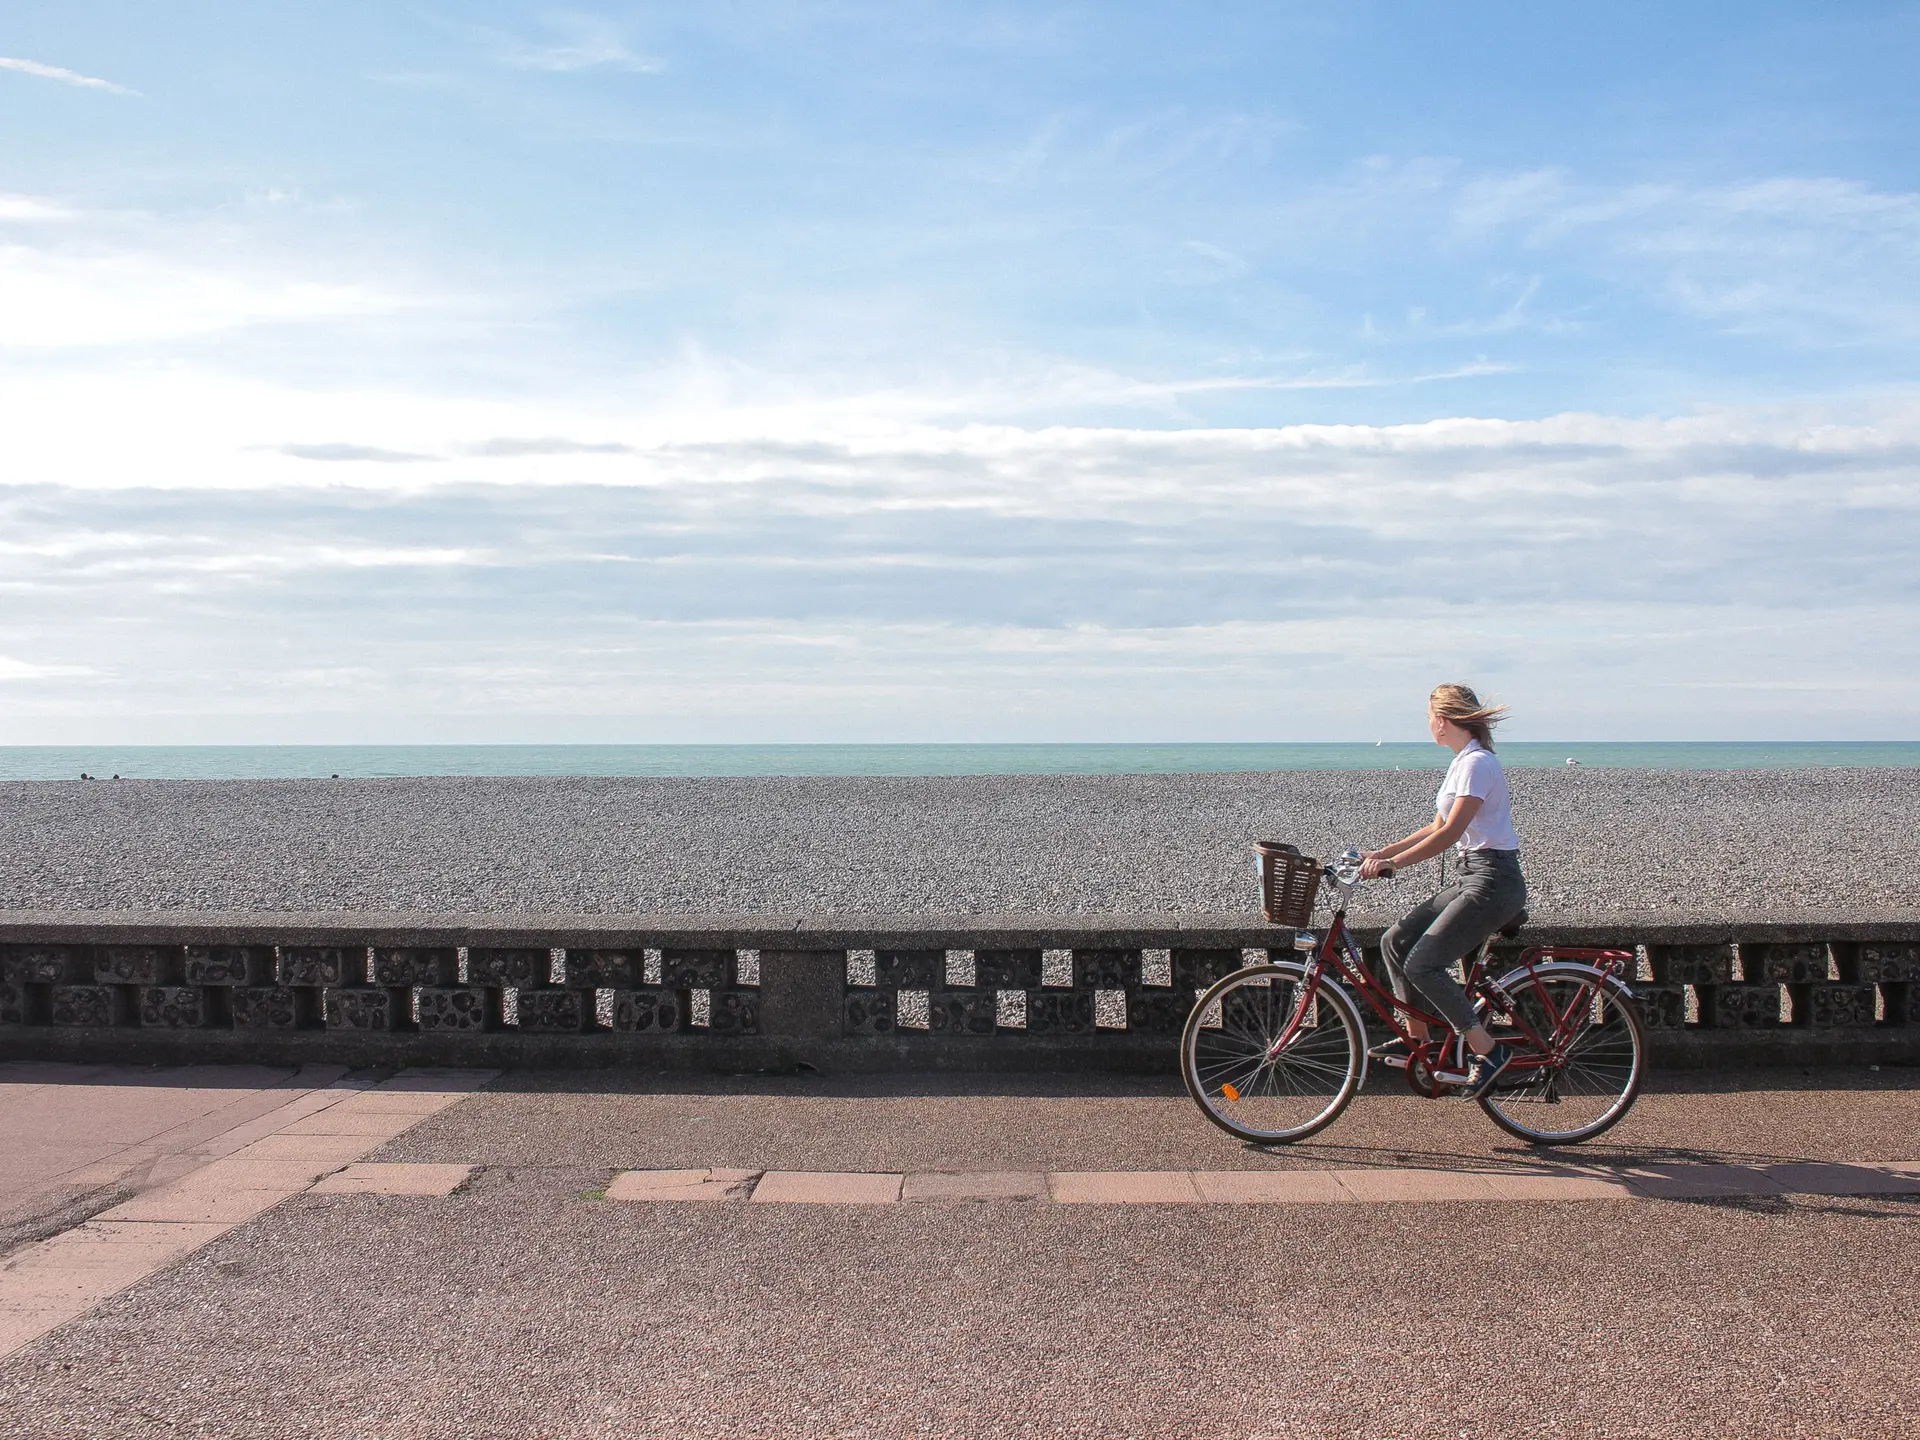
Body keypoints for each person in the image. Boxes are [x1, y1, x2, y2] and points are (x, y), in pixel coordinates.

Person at [1358, 684, 1527, 1099]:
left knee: (1423, 964)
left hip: (1493, 881)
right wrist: (1381, 851)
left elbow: (1451, 833)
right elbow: (1435, 826)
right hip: (1472, 876)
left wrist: (1394, 865)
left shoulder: (1477, 765)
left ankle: (1487, 1051)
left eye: (1431, 716)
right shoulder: (1461, 763)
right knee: (1394, 941)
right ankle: (1419, 1041)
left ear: (1444, 720)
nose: (1429, 724)